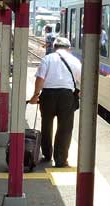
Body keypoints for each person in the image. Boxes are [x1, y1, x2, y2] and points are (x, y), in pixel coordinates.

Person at [28, 36, 81, 168]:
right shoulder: (75, 60)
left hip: (48, 95)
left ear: (54, 47)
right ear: (69, 49)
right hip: (67, 96)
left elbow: (40, 79)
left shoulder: (47, 58)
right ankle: (61, 160)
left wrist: (35, 95)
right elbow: (82, 80)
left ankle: (46, 154)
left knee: (46, 124)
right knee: (65, 127)